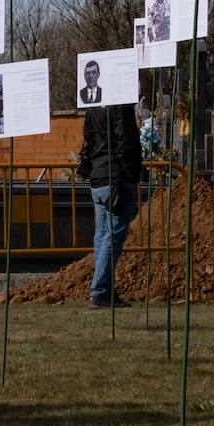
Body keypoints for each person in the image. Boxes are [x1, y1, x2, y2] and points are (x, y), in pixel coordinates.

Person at [77, 103, 142, 307]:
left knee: (102, 235)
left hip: (98, 177)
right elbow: (125, 141)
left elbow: (88, 139)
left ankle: (102, 289)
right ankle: (100, 291)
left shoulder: (94, 107)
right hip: (116, 178)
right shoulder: (120, 107)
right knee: (113, 236)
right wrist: (131, 174)